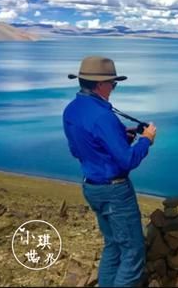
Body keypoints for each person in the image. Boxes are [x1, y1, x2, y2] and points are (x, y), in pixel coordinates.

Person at [63, 56, 157, 287]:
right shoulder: (103, 116)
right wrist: (146, 140)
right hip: (115, 192)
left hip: (91, 187)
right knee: (133, 253)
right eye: (113, 83)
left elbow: (79, 150)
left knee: (113, 245)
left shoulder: (71, 110)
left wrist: (122, 137)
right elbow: (127, 161)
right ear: (100, 85)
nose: (114, 88)